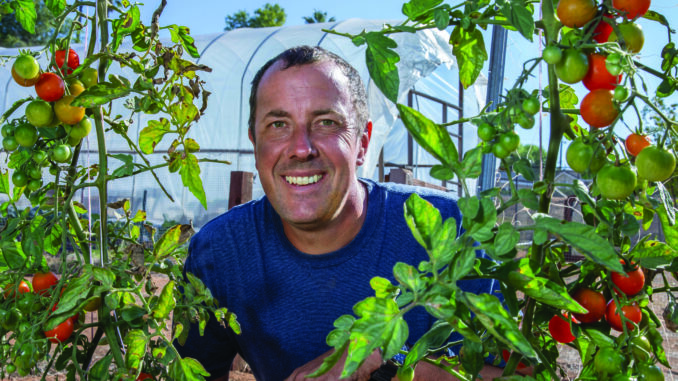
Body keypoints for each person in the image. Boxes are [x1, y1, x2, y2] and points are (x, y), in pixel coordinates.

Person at [176, 45, 503, 380]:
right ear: (254, 144)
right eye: (277, 124)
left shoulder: (446, 229)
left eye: (326, 122)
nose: (301, 148)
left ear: (362, 142)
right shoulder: (219, 252)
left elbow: (516, 373)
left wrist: (381, 362)